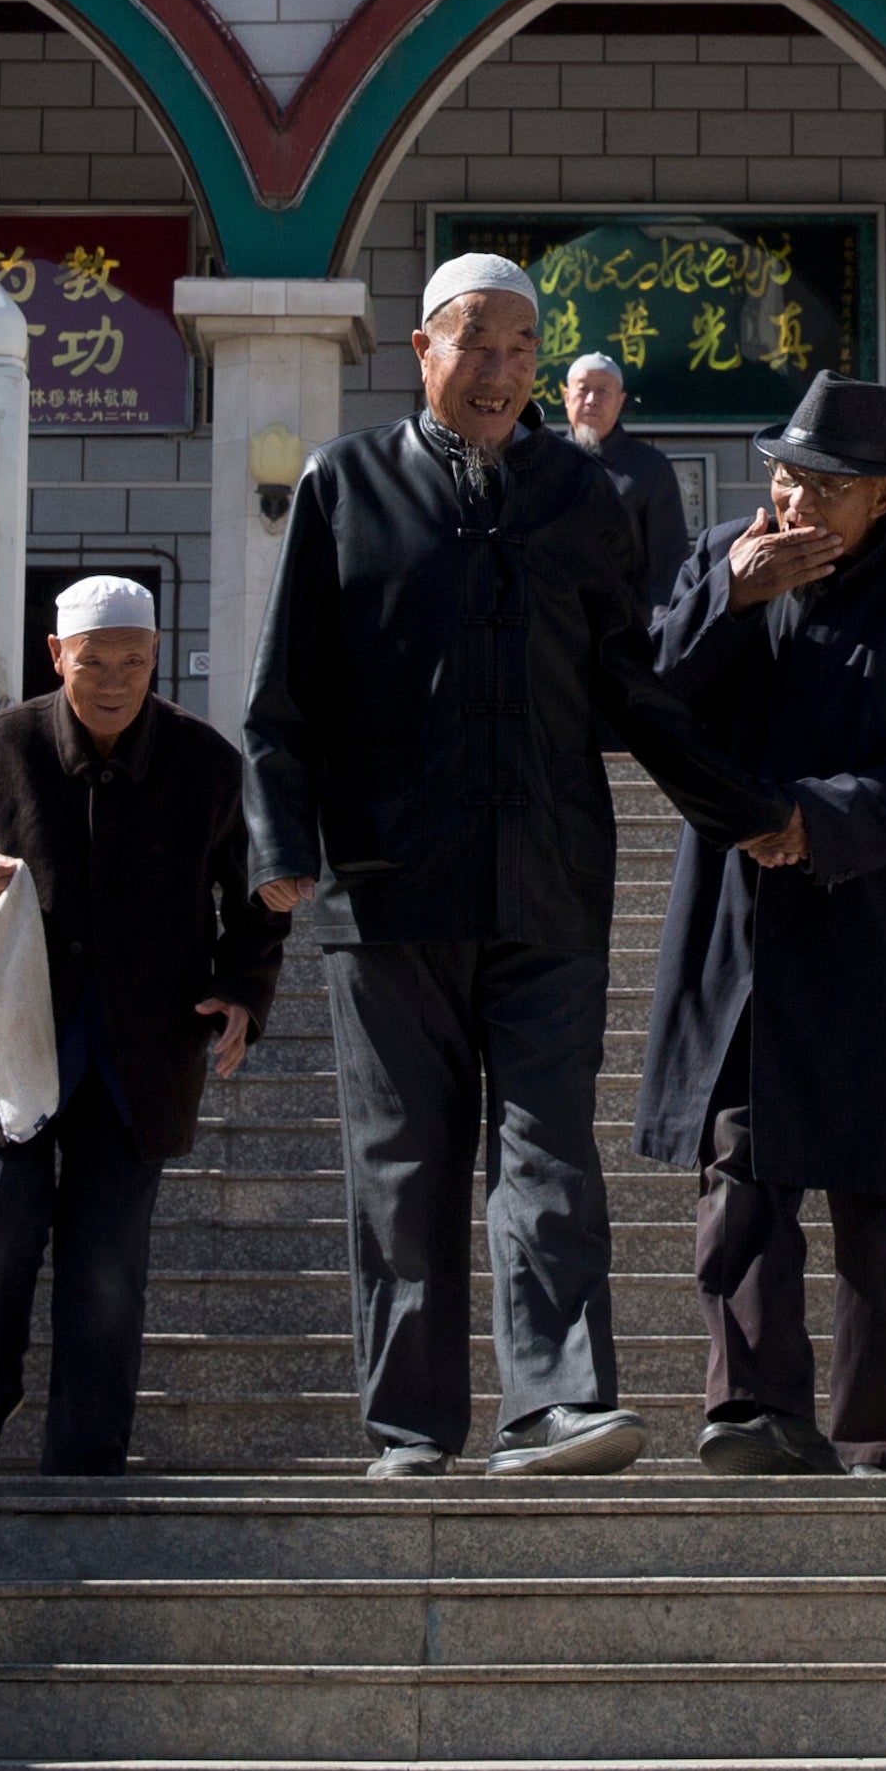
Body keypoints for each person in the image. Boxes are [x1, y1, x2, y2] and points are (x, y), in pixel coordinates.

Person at [250, 254, 785, 1478]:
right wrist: (283, 848)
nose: (497, 373)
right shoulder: (344, 484)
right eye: (473, 346)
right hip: (385, 889)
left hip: (546, 873)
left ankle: (556, 1402)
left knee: (548, 1145)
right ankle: (410, 1423)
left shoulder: (575, 494)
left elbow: (628, 685)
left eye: (518, 351)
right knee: (404, 1163)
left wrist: (741, 806)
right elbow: (284, 696)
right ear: (422, 353)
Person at [634, 375, 886, 1474]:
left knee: (881, 1188)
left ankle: (875, 1429)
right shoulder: (724, 561)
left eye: (830, 485)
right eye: (786, 472)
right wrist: (727, 604)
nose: (796, 499)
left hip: (873, 917)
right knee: (738, 1164)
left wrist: (818, 821)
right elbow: (645, 695)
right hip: (739, 923)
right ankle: (750, 1405)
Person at [0, 573, 273, 1473]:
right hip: (14, 1039)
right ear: (56, 656)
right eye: (94, 662)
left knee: (105, 1259)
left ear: (155, 658)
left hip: (139, 1047)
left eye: (136, 662)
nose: (115, 680)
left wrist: (242, 990)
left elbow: (258, 891)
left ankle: (86, 1448)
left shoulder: (205, 762)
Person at [564, 347, 696, 609]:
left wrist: (659, 630)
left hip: (626, 625)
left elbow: (668, 563)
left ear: (620, 400)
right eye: (583, 389)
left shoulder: (649, 467)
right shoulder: (545, 461)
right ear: (567, 397)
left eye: (603, 391)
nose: (592, 399)